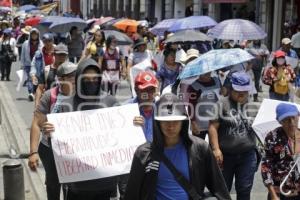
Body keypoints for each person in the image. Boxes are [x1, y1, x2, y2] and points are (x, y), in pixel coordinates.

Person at [124, 93, 231, 200]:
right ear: (157, 122)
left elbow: (219, 188)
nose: (171, 126)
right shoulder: (143, 153)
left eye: (175, 120)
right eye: (165, 121)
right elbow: (132, 193)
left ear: (183, 121)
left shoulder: (200, 148)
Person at [42, 58, 119, 200]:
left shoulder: (111, 102)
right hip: (76, 185)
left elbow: (122, 135)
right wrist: (50, 132)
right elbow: (56, 144)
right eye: (87, 79)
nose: (91, 83)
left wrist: (134, 123)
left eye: (95, 79)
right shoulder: (66, 105)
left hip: (105, 185)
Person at [28, 61, 77, 200]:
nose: (74, 79)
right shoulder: (50, 96)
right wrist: (33, 152)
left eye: (76, 75)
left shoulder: (83, 96)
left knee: (74, 188)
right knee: (53, 185)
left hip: (74, 149)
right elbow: (37, 123)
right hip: (50, 149)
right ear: (60, 79)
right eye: (70, 76)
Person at [208, 71, 258, 200]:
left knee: (245, 188)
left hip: (248, 155)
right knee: (223, 190)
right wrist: (216, 149)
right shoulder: (221, 104)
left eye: (245, 91)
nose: (242, 94)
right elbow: (213, 127)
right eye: (238, 91)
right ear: (231, 89)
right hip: (226, 156)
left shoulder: (253, 106)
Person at [261, 103, 300, 200]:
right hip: (280, 193)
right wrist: (273, 194)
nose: (291, 122)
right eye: (287, 119)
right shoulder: (272, 137)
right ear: (280, 121)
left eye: (293, 118)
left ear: (298, 116)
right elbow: (266, 167)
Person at [32, 43, 69, 107]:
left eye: (64, 55)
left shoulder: (71, 71)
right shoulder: (46, 70)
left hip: (65, 105)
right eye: (59, 55)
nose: (61, 57)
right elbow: (40, 89)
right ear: (54, 54)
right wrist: (37, 105)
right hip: (49, 104)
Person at [187, 72, 221, 139]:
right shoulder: (194, 86)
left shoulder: (217, 80)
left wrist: (224, 91)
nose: (207, 74)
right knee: (199, 146)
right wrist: (193, 122)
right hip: (200, 124)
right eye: (204, 73)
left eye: (208, 72)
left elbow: (223, 96)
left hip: (216, 122)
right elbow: (191, 105)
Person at [20, 28, 43, 101]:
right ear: (30, 35)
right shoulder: (26, 43)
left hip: (37, 64)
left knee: (36, 79)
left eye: (35, 34)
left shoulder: (41, 44)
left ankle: (34, 92)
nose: (34, 36)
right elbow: (22, 54)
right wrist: (22, 64)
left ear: (38, 35)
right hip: (28, 64)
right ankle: (30, 92)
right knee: (29, 79)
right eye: (33, 34)